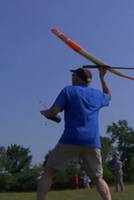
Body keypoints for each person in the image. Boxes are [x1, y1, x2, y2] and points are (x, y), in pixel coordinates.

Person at [37, 67, 112, 200]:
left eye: (73, 76)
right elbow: (109, 96)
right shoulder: (97, 95)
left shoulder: (68, 90)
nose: (72, 78)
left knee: (49, 172)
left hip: (71, 139)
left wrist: (47, 114)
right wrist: (102, 77)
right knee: (98, 178)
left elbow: (54, 111)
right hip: (92, 141)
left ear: (77, 78)